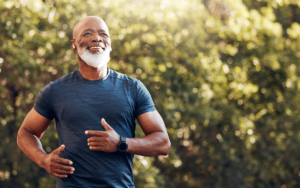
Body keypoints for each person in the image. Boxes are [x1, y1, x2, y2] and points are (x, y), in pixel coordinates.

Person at [17, 16, 171, 188]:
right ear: (73, 44)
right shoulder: (55, 91)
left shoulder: (133, 88)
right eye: (87, 33)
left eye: (103, 34)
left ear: (110, 44)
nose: (97, 38)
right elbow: (26, 132)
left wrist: (121, 143)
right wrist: (43, 160)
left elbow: (163, 143)